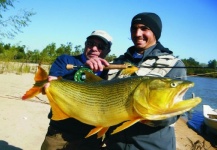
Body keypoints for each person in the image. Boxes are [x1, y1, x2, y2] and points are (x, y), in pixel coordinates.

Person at [103, 12, 187, 150]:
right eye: (134, 28)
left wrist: (149, 117)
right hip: (114, 145)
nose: (137, 33)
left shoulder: (174, 64)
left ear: (155, 32)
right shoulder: (115, 63)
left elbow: (177, 112)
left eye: (144, 28)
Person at [40, 30, 113, 150]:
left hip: (91, 136)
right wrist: (84, 69)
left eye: (100, 46)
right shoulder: (65, 60)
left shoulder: (111, 72)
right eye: (90, 43)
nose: (94, 48)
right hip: (59, 132)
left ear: (108, 50)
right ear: (85, 44)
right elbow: (52, 83)